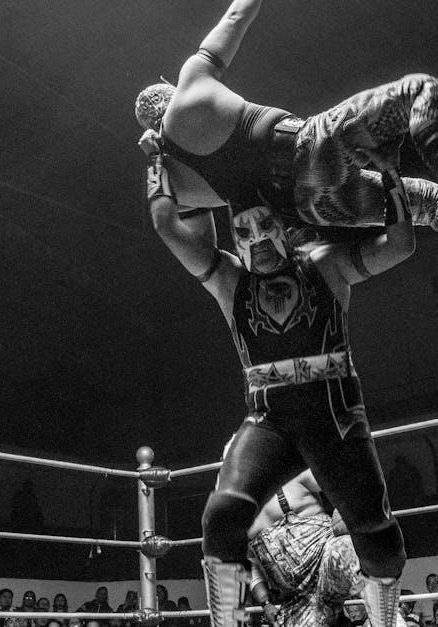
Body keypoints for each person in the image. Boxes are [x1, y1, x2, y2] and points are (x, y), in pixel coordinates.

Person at [150, 127, 415, 627]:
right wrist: (170, 157)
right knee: (221, 516)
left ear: (285, 226)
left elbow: (400, 245)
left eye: (263, 226)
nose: (256, 241)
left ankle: (386, 622)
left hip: (334, 413)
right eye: (243, 232)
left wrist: (390, 175)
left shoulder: (326, 265)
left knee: (375, 533)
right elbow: (169, 224)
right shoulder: (229, 281)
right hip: (269, 417)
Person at [134, 0, 438, 265]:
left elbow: (206, 254)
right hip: (308, 151)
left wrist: (160, 166)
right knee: (421, 90)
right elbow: (235, 18)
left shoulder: (173, 181)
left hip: (314, 208)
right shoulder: (192, 82)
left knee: (424, 205)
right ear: (169, 93)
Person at [246, 469, 396, 627]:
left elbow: (344, 477)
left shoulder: (292, 477)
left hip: (326, 563)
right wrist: (266, 604)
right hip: (298, 599)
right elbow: (251, 567)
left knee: (348, 550)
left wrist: (347, 512)